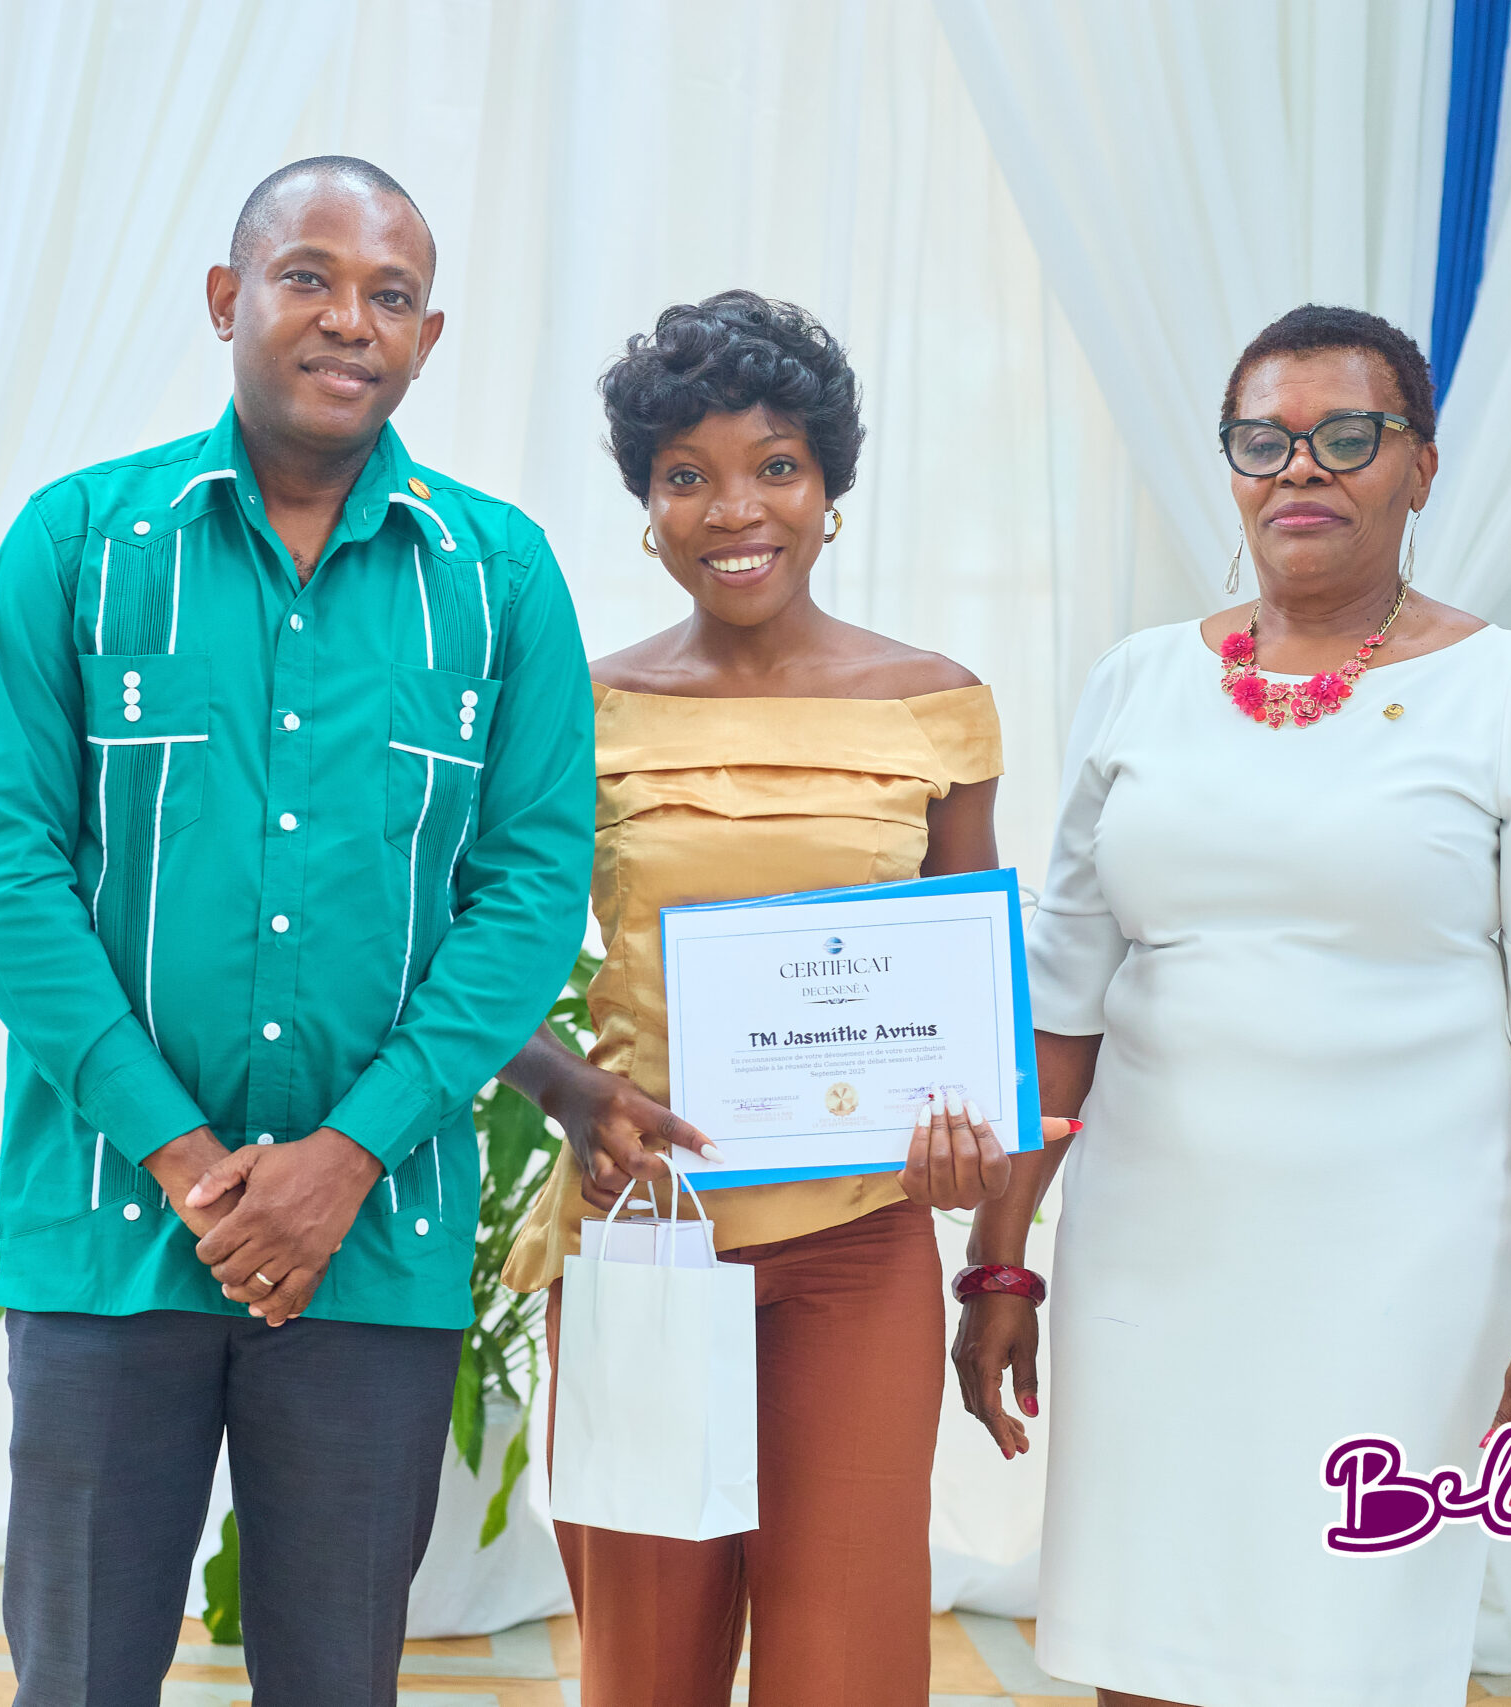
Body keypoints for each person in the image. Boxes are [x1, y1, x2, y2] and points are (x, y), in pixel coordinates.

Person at [0, 157, 596, 1707]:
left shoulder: (500, 579)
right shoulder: (80, 544)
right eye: (309, 277)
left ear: (429, 338)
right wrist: (188, 1161)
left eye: (390, 295)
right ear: (229, 298)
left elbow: (527, 896)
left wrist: (344, 1160)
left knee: (337, 1681)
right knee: (80, 1679)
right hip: (110, 1233)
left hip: (377, 1246)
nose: (349, 319)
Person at [954, 304, 1511, 1707]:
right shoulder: (1139, 682)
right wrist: (1000, 1260)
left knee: (1345, 1648)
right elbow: (1064, 1001)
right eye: (1263, 441)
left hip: (1400, 1269)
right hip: (1153, 1252)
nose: (1301, 470)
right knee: (1145, 1636)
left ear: (1421, 466)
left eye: (1348, 436)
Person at [496, 291, 1060, 1707]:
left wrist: (975, 1153)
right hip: (646, 1231)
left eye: (776, 466)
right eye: (687, 474)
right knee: (647, 1674)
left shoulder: (934, 705)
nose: (735, 509)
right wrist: (569, 1090)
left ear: (829, 489)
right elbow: (472, 960)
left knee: (845, 1673)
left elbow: (970, 992)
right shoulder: (581, 707)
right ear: (646, 507)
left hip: (860, 1250)